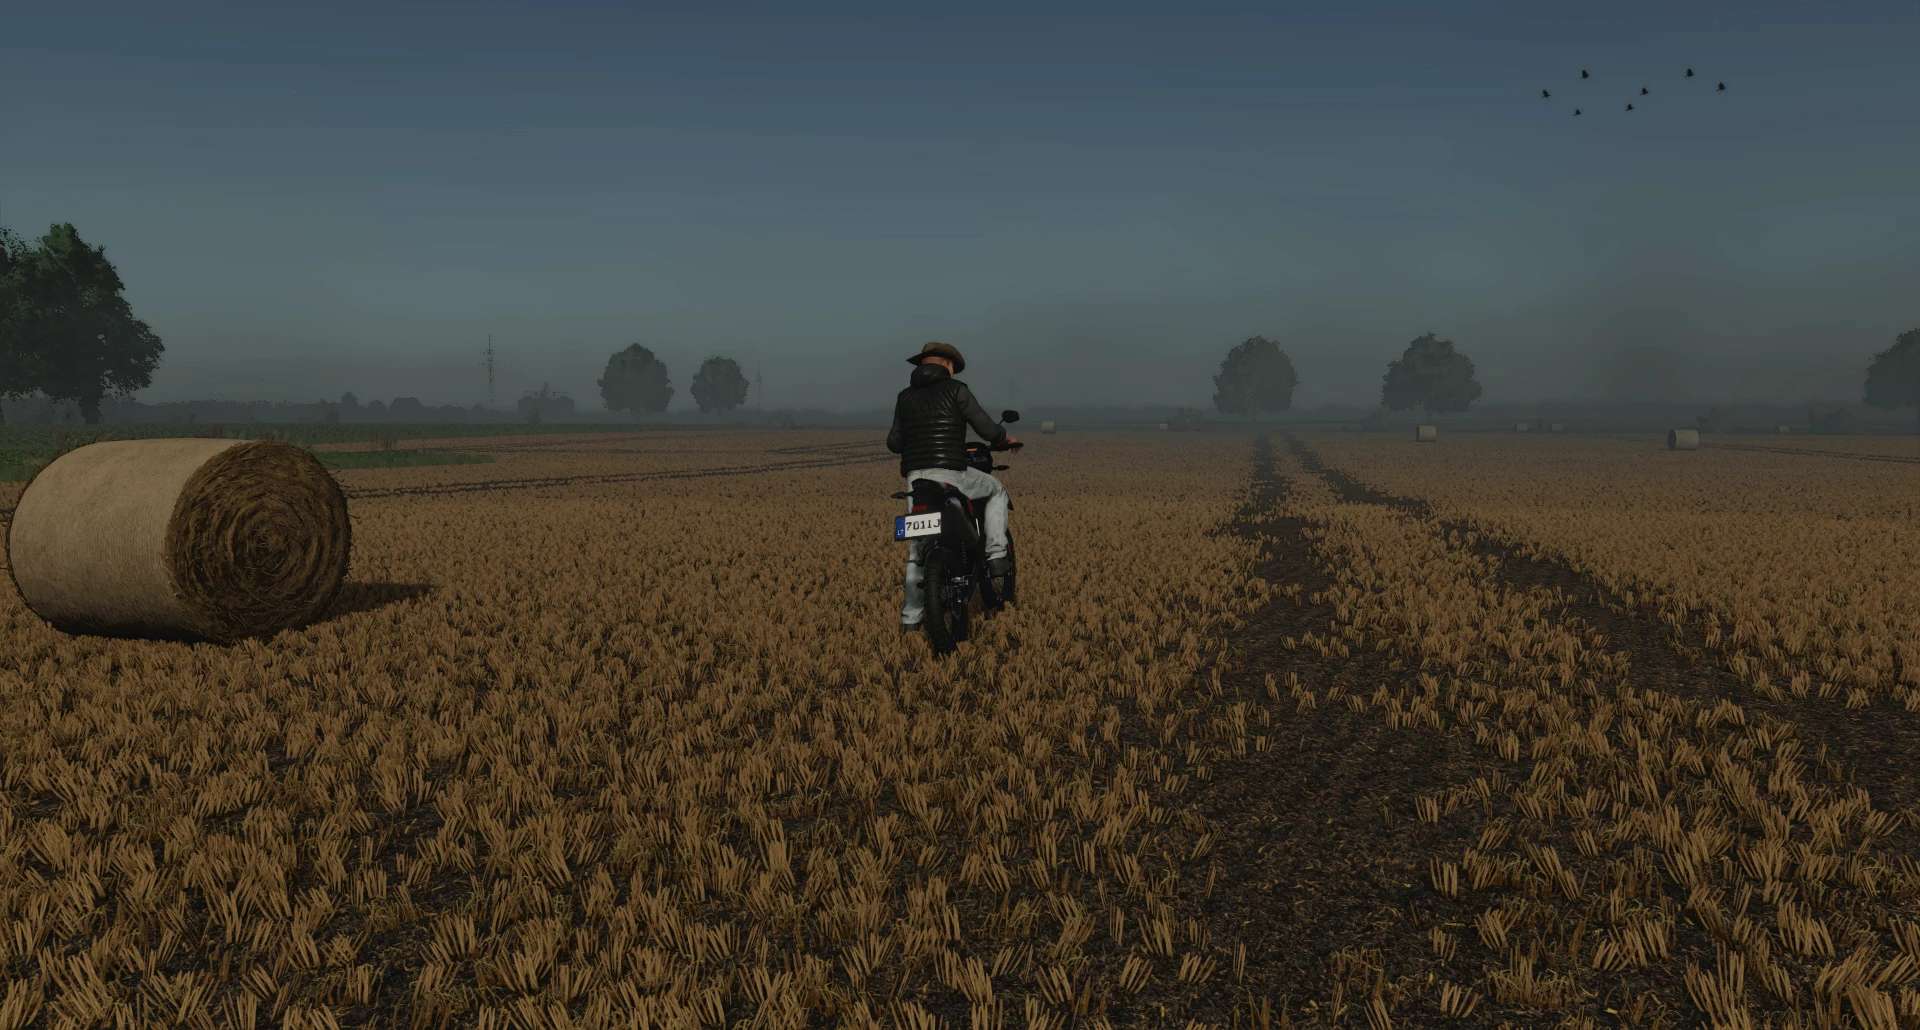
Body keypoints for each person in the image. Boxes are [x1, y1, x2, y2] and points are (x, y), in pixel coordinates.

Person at [886, 341, 1019, 631]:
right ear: (947, 364)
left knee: (917, 552)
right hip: (952, 474)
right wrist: (1003, 439)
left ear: (922, 364)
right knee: (996, 490)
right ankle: (996, 554)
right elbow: (985, 427)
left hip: (916, 480)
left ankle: (910, 620)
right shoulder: (957, 390)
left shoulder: (904, 397)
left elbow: (893, 442)